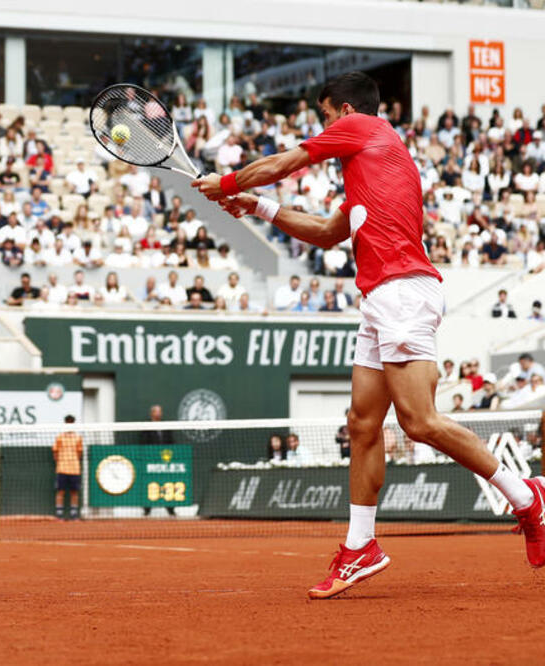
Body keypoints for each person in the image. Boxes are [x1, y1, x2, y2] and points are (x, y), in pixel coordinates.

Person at [192, 70, 545, 598]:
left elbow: (284, 163)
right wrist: (256, 207)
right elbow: (325, 232)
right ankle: (361, 547)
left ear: (343, 110)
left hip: (402, 291)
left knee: (419, 421)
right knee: (362, 423)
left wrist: (225, 184)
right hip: (381, 299)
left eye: (324, 115)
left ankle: (527, 496)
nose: (324, 127)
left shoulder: (364, 127)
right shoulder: (371, 171)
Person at [140, 404, 175, 517]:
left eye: (160, 411)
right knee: (149, 483)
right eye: (157, 411)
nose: (159, 414)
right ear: (152, 413)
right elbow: (143, 442)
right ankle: (147, 509)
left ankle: (170, 509)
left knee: (167, 483)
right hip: (150, 460)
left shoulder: (165, 426)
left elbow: (171, 441)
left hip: (165, 460)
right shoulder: (146, 426)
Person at [52, 415, 83, 520]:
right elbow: (55, 452)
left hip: (75, 469)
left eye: (71, 423)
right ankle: (59, 514)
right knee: (60, 491)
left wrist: (73, 461)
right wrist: (61, 462)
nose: (69, 424)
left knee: (74, 492)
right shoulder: (60, 437)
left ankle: (74, 514)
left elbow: (79, 453)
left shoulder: (78, 438)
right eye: (68, 422)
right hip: (62, 469)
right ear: (65, 423)